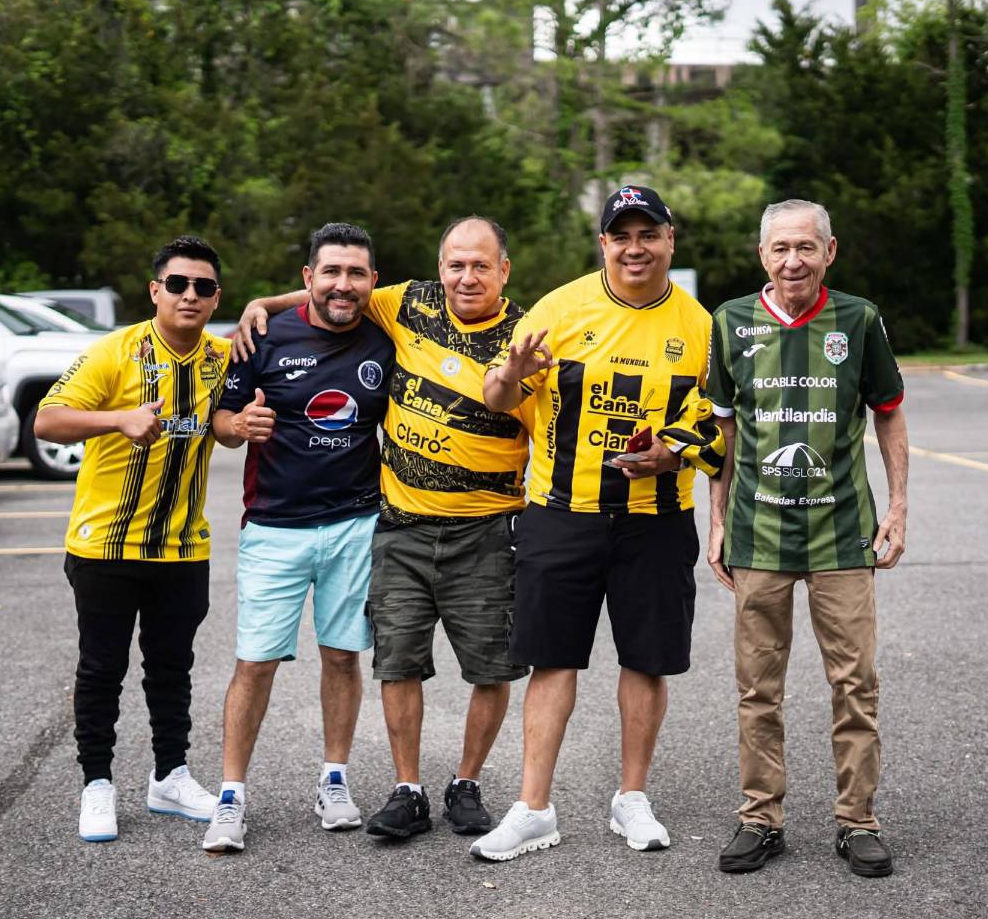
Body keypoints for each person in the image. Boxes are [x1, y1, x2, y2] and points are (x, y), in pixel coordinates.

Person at [233, 216, 531, 842]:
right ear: (438, 267)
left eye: (481, 265)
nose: (466, 276)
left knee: (491, 670)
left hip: (485, 529)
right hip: (398, 526)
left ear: (504, 269)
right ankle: (408, 789)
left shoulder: (527, 335)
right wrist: (263, 303)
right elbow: (339, 290)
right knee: (398, 664)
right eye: (456, 263)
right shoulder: (410, 304)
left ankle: (467, 783)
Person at [475, 185, 714, 861]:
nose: (634, 248)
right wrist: (512, 375)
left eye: (648, 234)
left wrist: (675, 451)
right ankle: (532, 808)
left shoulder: (700, 327)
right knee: (552, 659)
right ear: (603, 243)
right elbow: (499, 393)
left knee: (646, 660)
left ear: (671, 238)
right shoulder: (561, 307)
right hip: (561, 514)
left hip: (657, 520)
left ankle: (630, 796)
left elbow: (719, 427)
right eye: (621, 235)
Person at [705, 199, 908, 879]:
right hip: (758, 535)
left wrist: (899, 506)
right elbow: (725, 432)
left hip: (843, 535)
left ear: (830, 251)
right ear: (761, 254)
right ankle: (761, 819)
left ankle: (858, 822)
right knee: (756, 686)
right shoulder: (730, 322)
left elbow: (889, 414)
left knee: (855, 682)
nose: (793, 259)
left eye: (805, 246)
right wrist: (716, 516)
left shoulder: (859, 318)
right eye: (780, 247)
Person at [200, 223, 394, 853]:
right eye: (330, 272)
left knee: (343, 655)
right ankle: (231, 796)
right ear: (308, 277)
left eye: (357, 273)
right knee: (255, 663)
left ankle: (334, 779)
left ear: (373, 280)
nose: (344, 284)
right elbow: (223, 422)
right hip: (274, 527)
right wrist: (238, 425)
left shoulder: (386, 333)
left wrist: (267, 295)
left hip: (356, 523)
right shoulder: (262, 336)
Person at [35, 235, 231, 843]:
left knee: (172, 669)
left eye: (202, 286)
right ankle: (97, 784)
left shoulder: (222, 357)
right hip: (105, 549)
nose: (189, 295)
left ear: (215, 296)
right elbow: (47, 419)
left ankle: (169, 776)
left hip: (183, 549)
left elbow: (223, 421)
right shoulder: (114, 353)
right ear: (155, 291)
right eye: (177, 284)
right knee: (102, 669)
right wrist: (116, 418)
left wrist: (233, 426)